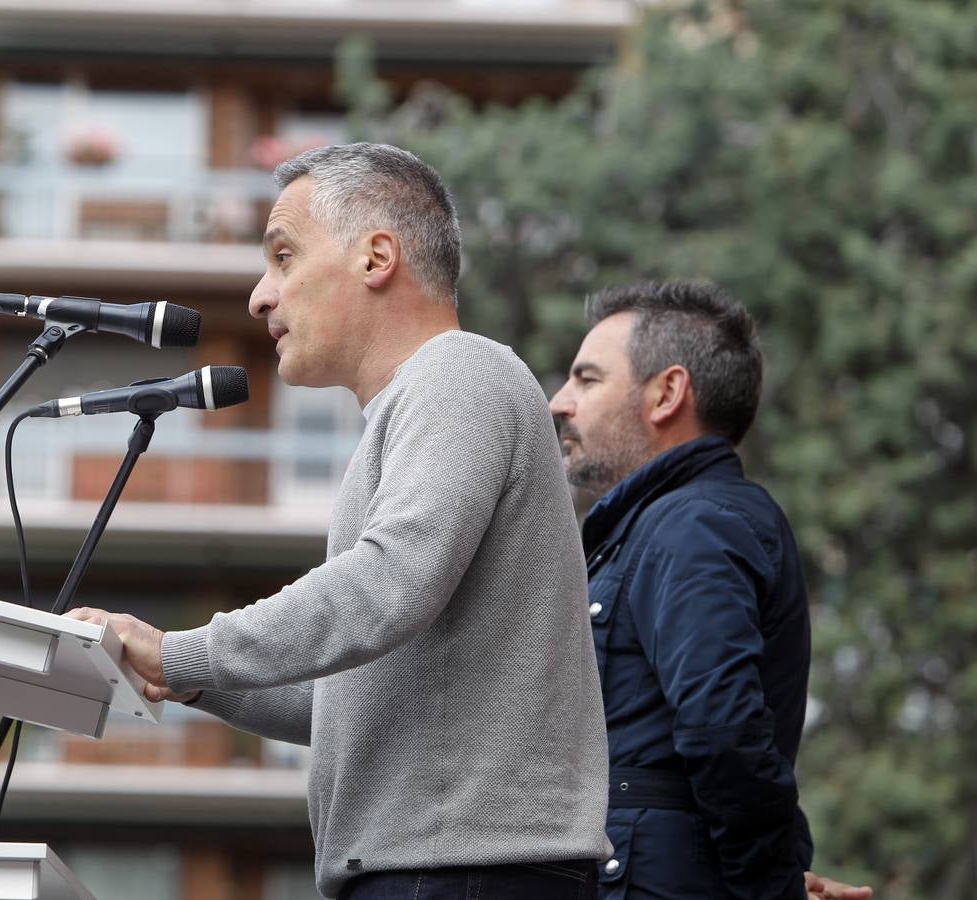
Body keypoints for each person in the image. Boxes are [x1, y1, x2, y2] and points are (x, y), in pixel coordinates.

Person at [68, 142, 610, 899]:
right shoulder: (418, 407)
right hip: (442, 867)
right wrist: (181, 672)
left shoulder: (460, 374)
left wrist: (187, 652)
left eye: (283, 257)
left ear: (376, 257)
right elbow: (348, 701)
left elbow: (388, 583)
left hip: (461, 873)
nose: (260, 297)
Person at [548, 281, 872, 900]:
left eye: (587, 380)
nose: (561, 402)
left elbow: (722, 726)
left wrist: (769, 890)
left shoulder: (694, 522)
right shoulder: (659, 526)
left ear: (667, 393)